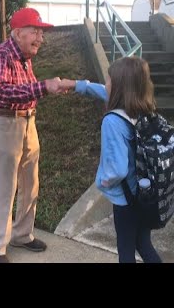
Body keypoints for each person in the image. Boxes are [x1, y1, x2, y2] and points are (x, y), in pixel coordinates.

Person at [59, 56, 162, 263]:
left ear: (119, 88)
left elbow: (117, 170)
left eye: (108, 80)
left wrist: (103, 182)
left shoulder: (113, 122)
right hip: (145, 194)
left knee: (125, 250)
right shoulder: (144, 109)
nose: (105, 84)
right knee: (143, 243)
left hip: (125, 201)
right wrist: (76, 85)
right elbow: (102, 90)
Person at [0, 7, 65, 263]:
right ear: (18, 32)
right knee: (7, 187)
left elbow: (26, 89)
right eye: (35, 32)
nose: (40, 38)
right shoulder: (1, 55)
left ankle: (22, 234)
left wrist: (45, 90)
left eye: (41, 33)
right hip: (6, 124)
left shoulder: (25, 58)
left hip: (28, 122)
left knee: (31, 184)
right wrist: (43, 87)